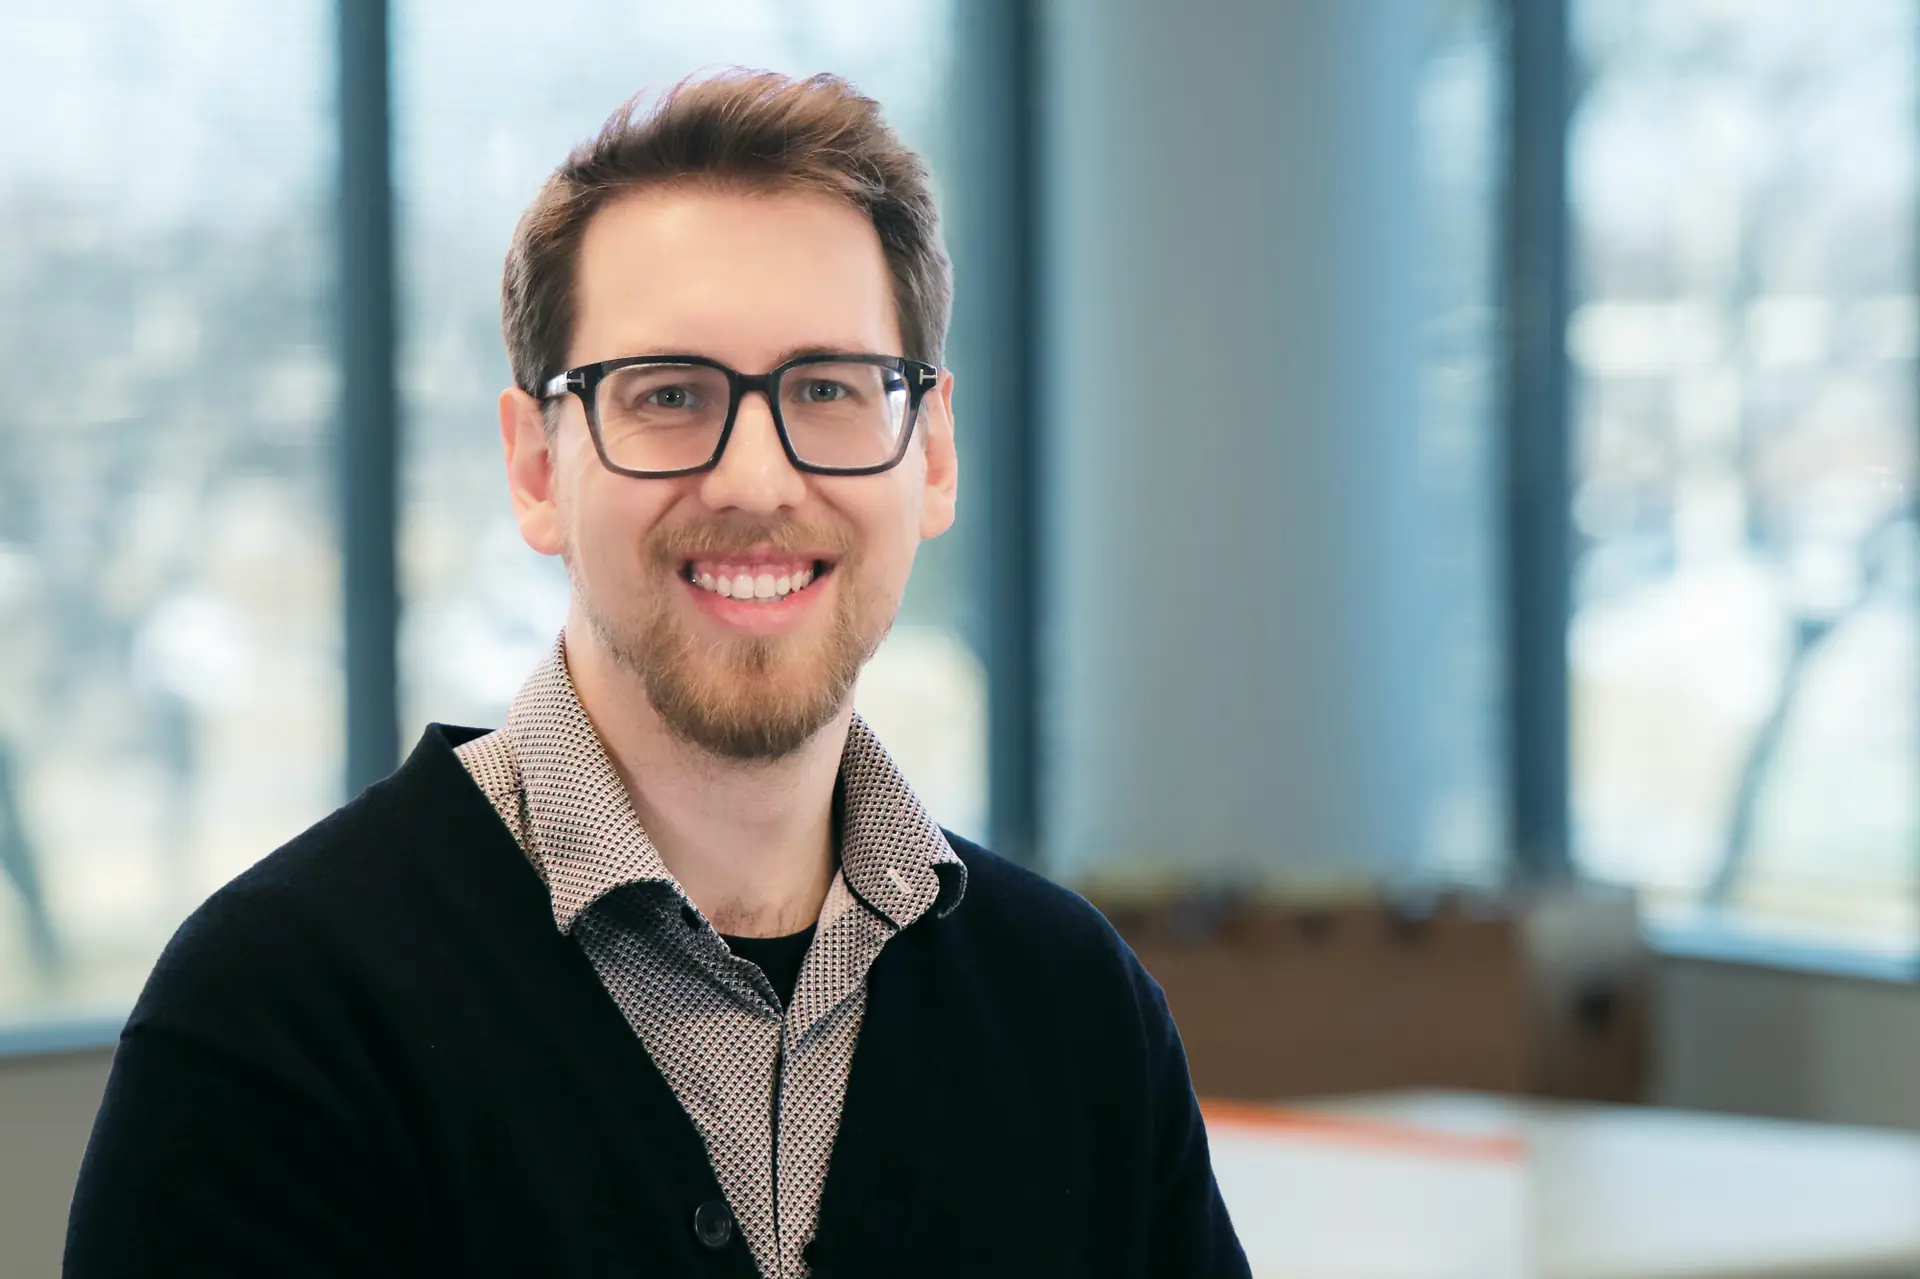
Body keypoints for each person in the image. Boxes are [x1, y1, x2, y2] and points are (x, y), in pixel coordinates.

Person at [64, 70, 1249, 1278]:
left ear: (930, 455)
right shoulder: (276, 1020)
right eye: (670, 395)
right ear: (536, 468)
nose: (753, 480)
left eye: (828, 389)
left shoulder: (1079, 1011)